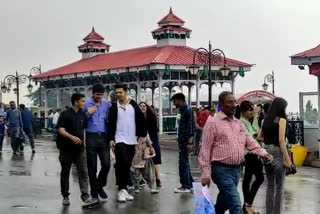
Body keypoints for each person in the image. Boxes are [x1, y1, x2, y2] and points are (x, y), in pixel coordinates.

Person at [199, 91, 273, 214]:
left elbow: (251, 142)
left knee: (225, 202)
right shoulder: (213, 122)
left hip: (236, 171)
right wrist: (205, 174)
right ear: (221, 104)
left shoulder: (238, 124)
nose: (233, 105)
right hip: (220, 170)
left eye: (234, 102)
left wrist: (264, 153)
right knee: (235, 203)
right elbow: (205, 149)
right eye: (229, 102)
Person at [56, 93, 97, 207]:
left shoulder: (83, 114)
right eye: (82, 101)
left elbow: (83, 129)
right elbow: (61, 130)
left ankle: (85, 195)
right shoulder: (65, 114)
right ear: (76, 102)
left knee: (83, 172)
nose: (84, 103)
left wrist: (84, 143)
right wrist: (72, 137)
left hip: (80, 149)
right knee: (65, 172)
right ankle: (65, 195)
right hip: (66, 148)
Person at [107, 83, 146, 203]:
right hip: (119, 139)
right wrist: (111, 138)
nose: (118, 94)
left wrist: (142, 135)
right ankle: (121, 189)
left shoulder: (133, 105)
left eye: (120, 92)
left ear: (126, 92)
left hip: (131, 139)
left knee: (127, 164)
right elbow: (110, 123)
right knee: (121, 162)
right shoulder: (114, 107)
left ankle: (124, 190)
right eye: (116, 93)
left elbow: (141, 119)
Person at [258, 97, 292, 214]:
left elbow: (259, 137)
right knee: (279, 186)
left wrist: (267, 142)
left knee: (270, 184)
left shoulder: (265, 120)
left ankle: (269, 212)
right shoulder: (281, 120)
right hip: (278, 152)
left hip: (267, 153)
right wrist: (287, 159)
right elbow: (281, 140)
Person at [84, 84, 111, 203]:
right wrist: (88, 113)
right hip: (91, 137)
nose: (99, 97)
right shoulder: (86, 104)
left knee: (106, 164)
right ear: (93, 94)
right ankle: (94, 194)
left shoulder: (107, 104)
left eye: (101, 94)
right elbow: (79, 120)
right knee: (92, 167)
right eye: (97, 94)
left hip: (103, 137)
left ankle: (99, 185)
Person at [240, 101, 264, 214]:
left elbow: (256, 132)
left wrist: (255, 118)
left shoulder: (246, 122)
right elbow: (254, 134)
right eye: (250, 110)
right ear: (244, 111)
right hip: (250, 153)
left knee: (249, 178)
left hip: (253, 153)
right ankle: (247, 204)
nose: (251, 113)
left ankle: (247, 205)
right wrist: (255, 118)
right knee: (257, 178)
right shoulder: (242, 123)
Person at [171, 93, 194, 193]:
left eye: (175, 101)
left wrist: (190, 142)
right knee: (185, 163)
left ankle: (186, 186)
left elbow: (190, 127)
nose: (174, 104)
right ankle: (190, 183)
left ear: (180, 100)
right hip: (183, 141)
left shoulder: (187, 111)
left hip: (185, 142)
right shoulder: (185, 110)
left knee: (183, 163)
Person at [139, 102, 162, 188]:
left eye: (144, 106)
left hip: (152, 139)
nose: (142, 107)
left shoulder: (152, 117)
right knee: (141, 160)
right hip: (141, 140)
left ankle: (158, 179)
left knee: (155, 160)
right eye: (140, 106)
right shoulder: (138, 117)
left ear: (147, 107)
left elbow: (154, 131)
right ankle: (141, 179)